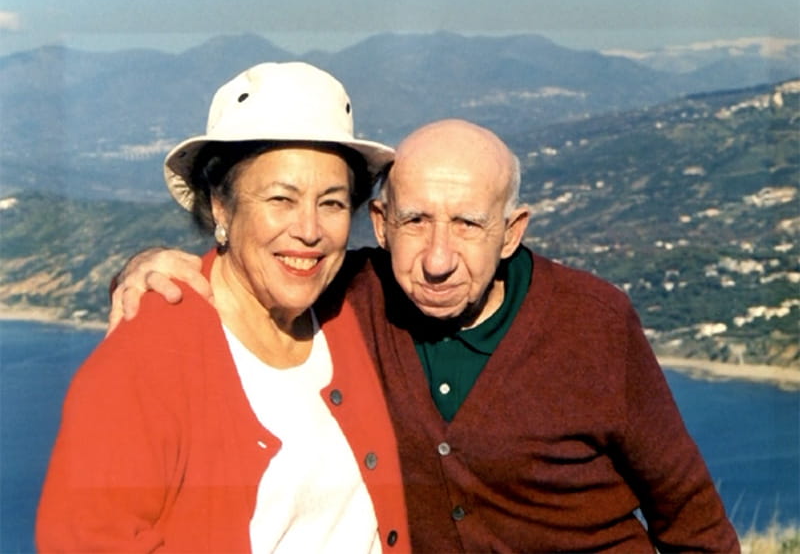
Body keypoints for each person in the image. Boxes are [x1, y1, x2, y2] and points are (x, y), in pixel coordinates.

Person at [109, 119, 740, 552]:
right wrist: (145, 264)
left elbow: (689, 515)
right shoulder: (346, 296)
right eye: (416, 221)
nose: (438, 259)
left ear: (512, 231)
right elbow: (255, 273)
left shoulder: (593, 321)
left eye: (468, 223)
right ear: (380, 224)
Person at [36, 62, 410, 553]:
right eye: (281, 198)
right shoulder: (148, 356)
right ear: (221, 206)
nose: (309, 230)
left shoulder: (357, 308)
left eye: (333, 203)